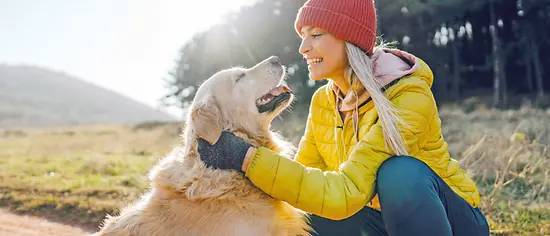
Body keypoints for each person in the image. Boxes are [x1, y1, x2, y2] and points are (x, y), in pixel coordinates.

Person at [196, 0, 490, 235]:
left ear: (348, 39)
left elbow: (345, 194)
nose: (303, 48)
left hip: (451, 221)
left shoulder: (408, 95)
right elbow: (303, 178)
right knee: (304, 212)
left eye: (316, 35)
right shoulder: (323, 101)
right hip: (381, 222)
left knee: (399, 173)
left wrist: (247, 157)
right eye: (302, 37)